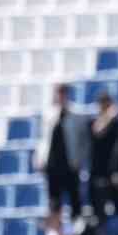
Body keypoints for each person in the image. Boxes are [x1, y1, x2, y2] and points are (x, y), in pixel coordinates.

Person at [36, 84, 90, 218]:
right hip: (52, 164)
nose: (60, 96)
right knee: (54, 200)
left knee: (74, 198)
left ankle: (75, 230)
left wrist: (80, 160)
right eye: (58, 93)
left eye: (62, 93)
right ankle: (56, 231)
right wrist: (39, 158)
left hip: (70, 164)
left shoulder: (77, 115)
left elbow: (84, 141)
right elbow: (43, 138)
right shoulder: (48, 114)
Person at [88, 92, 118, 222]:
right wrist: (109, 116)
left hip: (114, 169)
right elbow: (97, 131)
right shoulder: (95, 121)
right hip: (99, 170)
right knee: (98, 206)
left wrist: (117, 171)